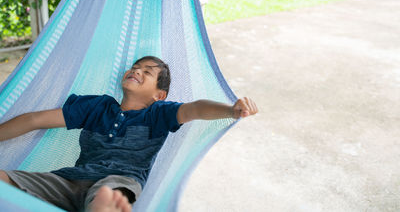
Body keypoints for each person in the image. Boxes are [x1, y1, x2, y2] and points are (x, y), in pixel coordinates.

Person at [0, 56, 258, 212]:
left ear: (159, 95)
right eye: (135, 67)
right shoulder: (96, 107)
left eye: (147, 72)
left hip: (117, 181)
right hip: (69, 181)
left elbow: (196, 109)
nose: (137, 71)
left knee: (107, 197)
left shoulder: (158, 114)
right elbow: (35, 120)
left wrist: (231, 110)